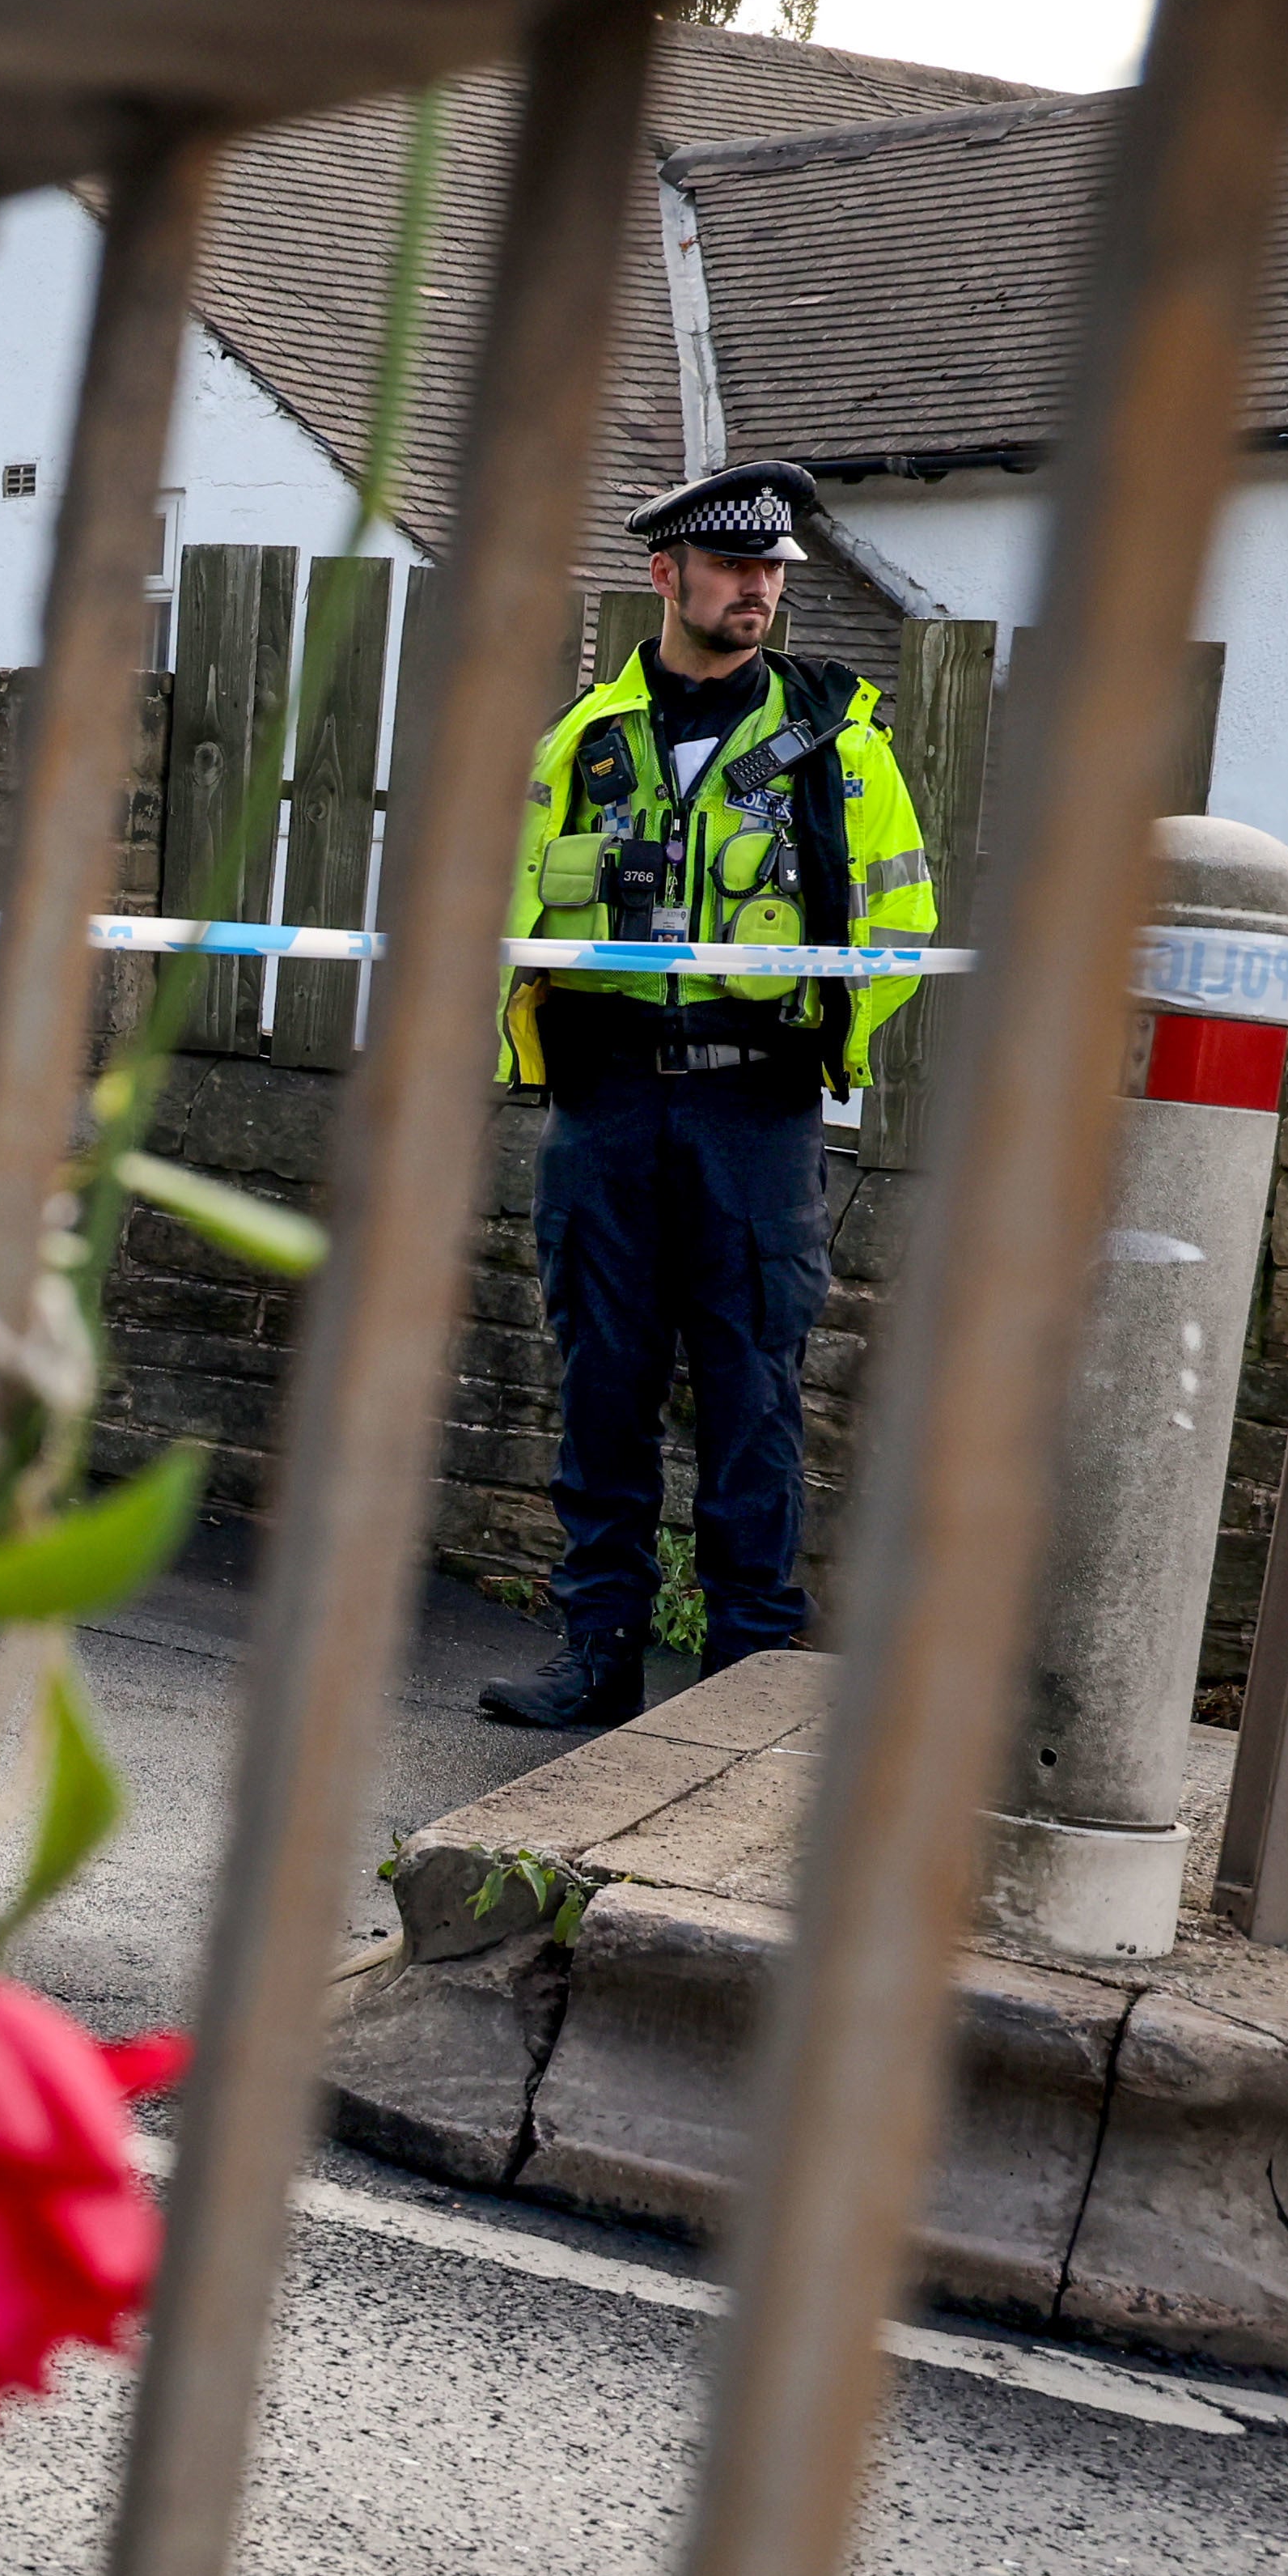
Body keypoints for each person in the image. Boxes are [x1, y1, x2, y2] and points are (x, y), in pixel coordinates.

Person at [477, 460, 938, 1731]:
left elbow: (900, 922)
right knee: (602, 1388)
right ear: (665, 574)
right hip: (607, 1105)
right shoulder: (585, 741)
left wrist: (804, 1045)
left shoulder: (836, 742)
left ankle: (745, 1681)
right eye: (737, 566)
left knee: (752, 1394)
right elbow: (516, 912)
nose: (762, 588)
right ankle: (598, 1655)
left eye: (774, 568)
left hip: (754, 1112)